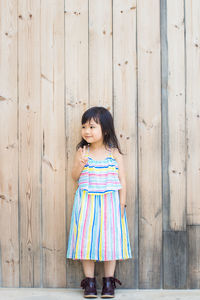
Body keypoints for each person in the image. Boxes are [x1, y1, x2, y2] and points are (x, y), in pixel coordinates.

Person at [66, 106, 132, 298]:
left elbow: (122, 181)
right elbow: (74, 177)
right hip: (86, 203)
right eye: (84, 126)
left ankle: (109, 282)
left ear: (105, 130)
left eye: (92, 126)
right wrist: (80, 163)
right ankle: (90, 283)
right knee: (86, 241)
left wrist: (122, 204)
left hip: (110, 204)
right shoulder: (82, 151)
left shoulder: (114, 154)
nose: (87, 131)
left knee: (110, 242)